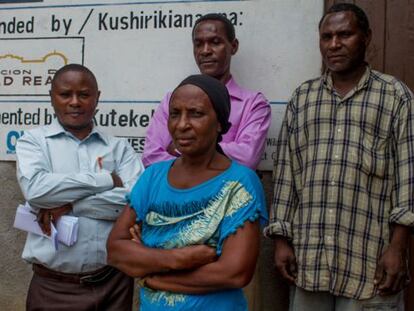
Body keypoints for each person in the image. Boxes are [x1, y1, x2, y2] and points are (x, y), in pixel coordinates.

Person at [264, 3, 413, 310]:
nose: (334, 44)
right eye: (326, 36)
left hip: (368, 262)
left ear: (367, 37)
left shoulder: (395, 97)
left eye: (345, 34)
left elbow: (407, 179)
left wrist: (398, 248)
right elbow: (287, 175)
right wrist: (280, 240)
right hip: (309, 261)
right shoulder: (303, 99)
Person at [107, 74, 268, 310]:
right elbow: (115, 250)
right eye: (175, 114)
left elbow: (234, 273)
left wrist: (152, 273)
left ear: (220, 123)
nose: (182, 124)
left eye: (196, 113)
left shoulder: (240, 183)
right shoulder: (153, 177)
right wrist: (180, 258)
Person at [16, 64, 144, 311]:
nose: (75, 102)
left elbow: (135, 201)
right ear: (52, 98)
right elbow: (37, 191)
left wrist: (70, 204)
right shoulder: (33, 142)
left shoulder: (119, 148)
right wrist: (106, 180)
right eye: (65, 94)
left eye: (84, 95)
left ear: (97, 98)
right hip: (53, 287)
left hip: (114, 283)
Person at [142, 13, 271, 170]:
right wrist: (220, 155)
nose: (205, 51)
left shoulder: (254, 104)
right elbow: (151, 156)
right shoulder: (172, 100)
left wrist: (181, 149)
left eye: (215, 42)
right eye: (198, 44)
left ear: (234, 46)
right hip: (173, 193)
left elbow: (247, 158)